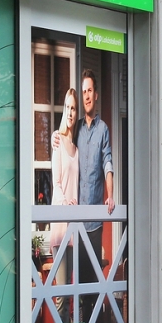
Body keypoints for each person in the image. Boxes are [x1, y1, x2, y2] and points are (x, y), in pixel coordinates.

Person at [56, 69, 115, 282]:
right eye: (84, 92)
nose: (87, 96)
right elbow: (64, 141)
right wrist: (56, 137)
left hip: (94, 223)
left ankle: (95, 316)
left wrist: (111, 194)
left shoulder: (103, 130)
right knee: (78, 282)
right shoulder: (78, 127)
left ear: (96, 95)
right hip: (76, 221)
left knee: (92, 284)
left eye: (90, 91)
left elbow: (108, 162)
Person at [49, 88, 80, 273]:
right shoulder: (57, 140)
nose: (70, 112)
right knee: (61, 295)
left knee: (72, 293)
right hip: (61, 225)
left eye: (73, 108)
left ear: (77, 113)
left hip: (75, 227)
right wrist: (66, 203)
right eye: (67, 107)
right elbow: (57, 183)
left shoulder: (77, 148)